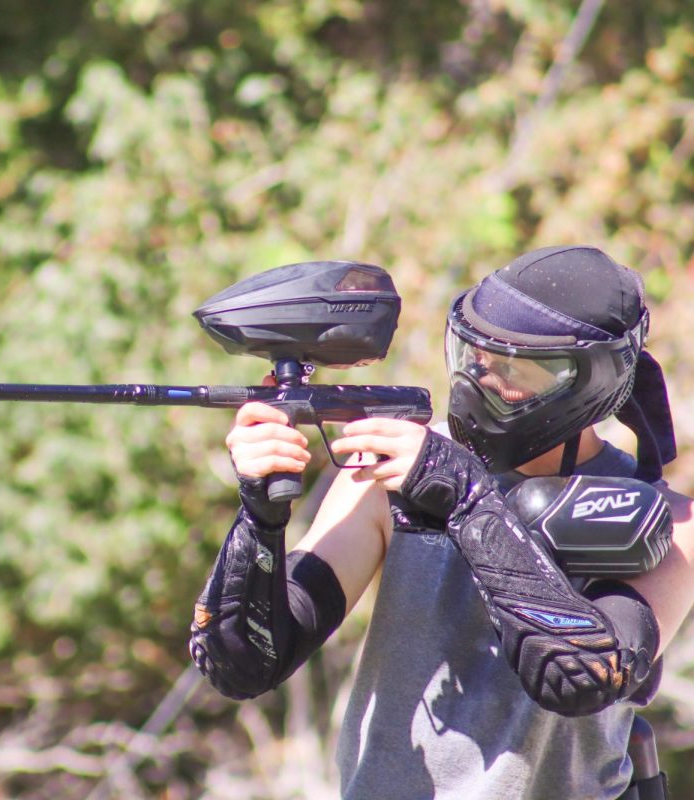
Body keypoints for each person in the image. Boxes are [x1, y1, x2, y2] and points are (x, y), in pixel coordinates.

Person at [189, 246, 694, 799]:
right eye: (474, 357)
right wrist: (260, 518)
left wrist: (468, 501)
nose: (481, 382)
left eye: (515, 368)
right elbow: (243, 663)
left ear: (587, 379)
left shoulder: (667, 522)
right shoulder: (387, 478)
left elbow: (578, 677)